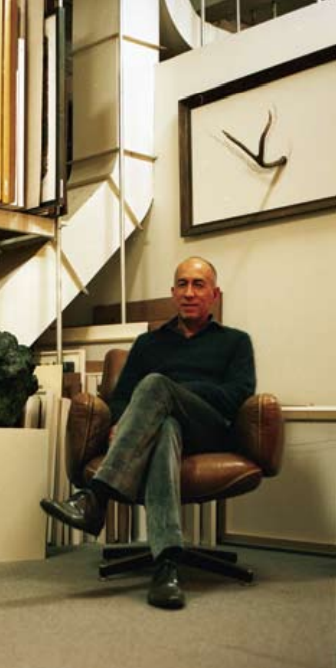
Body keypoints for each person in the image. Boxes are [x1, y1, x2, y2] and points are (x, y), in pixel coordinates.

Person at [40, 257, 256, 610]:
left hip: (209, 429)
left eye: (198, 285)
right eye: (182, 284)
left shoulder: (235, 342)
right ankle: (167, 564)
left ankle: (97, 497)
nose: (189, 292)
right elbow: (121, 397)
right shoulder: (148, 344)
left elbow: (237, 396)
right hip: (160, 430)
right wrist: (128, 419)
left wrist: (175, 393)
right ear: (172, 293)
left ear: (214, 294)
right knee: (165, 426)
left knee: (156, 386)